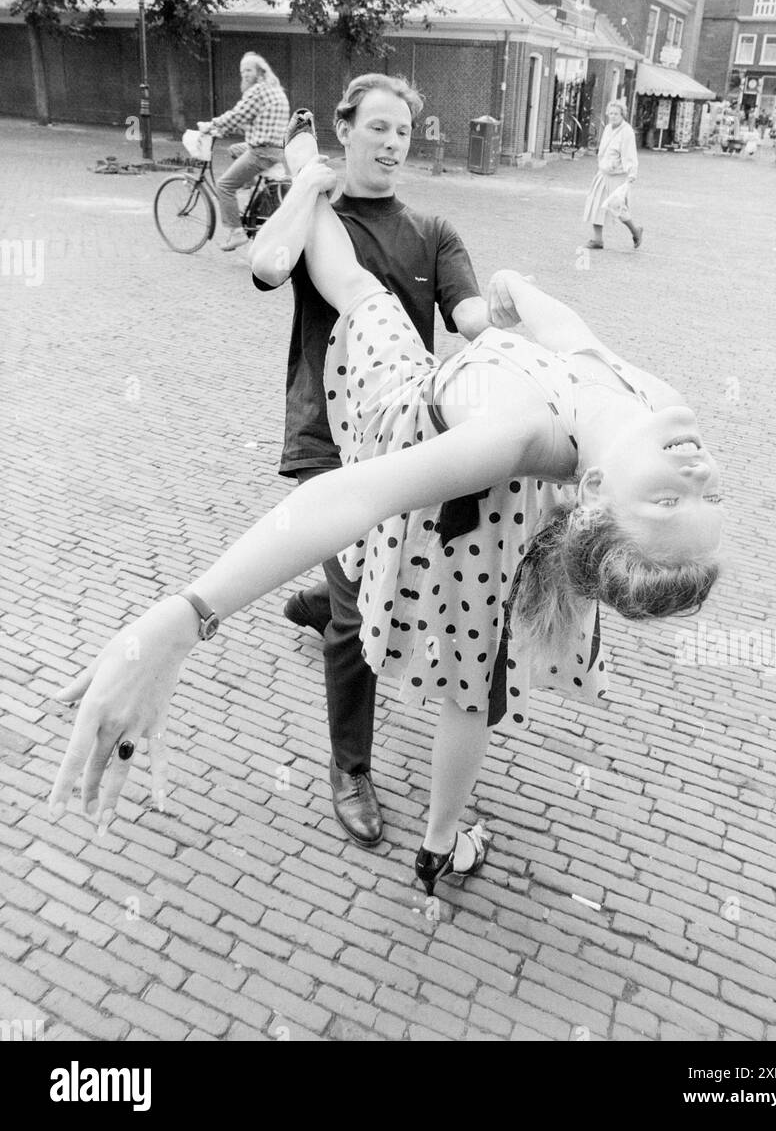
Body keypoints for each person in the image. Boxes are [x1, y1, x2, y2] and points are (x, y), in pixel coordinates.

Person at [50, 170, 724, 899]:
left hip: (408, 415)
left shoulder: (518, 435)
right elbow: (581, 345)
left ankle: (304, 178)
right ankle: (434, 826)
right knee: (469, 669)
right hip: (491, 508)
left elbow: (349, 496)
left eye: (664, 499)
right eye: (706, 493)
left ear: (595, 491)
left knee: (361, 291)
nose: (694, 468)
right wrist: (518, 289)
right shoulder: (657, 406)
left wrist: (181, 618)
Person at [247, 74, 490, 848]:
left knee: (371, 572)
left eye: (403, 133)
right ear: (346, 130)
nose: (391, 144)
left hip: (402, 436)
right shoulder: (318, 217)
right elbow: (266, 266)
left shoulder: (433, 231)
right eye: (376, 128)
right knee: (358, 614)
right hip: (327, 433)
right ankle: (350, 767)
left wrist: (510, 325)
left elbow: (470, 317)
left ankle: (323, 598)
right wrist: (306, 183)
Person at [199, 53, 290, 251]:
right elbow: (254, 121)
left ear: (259, 71)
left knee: (224, 185)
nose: (245, 74)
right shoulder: (275, 89)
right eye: (242, 71)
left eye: (248, 70)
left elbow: (238, 115)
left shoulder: (258, 91)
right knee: (234, 149)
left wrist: (211, 125)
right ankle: (249, 189)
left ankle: (237, 233)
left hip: (261, 152)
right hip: (275, 149)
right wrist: (225, 129)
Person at [583, 101, 642, 250]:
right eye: (611, 113)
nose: (613, 116)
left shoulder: (627, 131)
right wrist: (601, 166)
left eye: (617, 113)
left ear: (622, 115)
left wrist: (631, 174)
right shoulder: (608, 128)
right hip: (604, 173)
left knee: (618, 207)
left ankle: (635, 230)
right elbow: (603, 150)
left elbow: (630, 154)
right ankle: (597, 239)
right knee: (595, 203)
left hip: (617, 175)